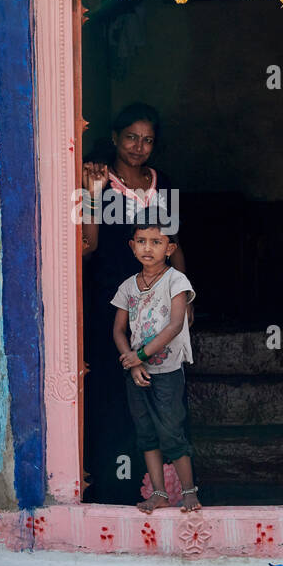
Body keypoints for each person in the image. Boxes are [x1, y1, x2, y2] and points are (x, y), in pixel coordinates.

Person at [80, 103, 188, 504]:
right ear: (113, 137)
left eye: (147, 140)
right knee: (113, 385)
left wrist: (185, 295)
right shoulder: (93, 180)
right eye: (131, 137)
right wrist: (91, 194)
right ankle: (113, 483)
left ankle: (163, 484)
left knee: (161, 385)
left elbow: (175, 242)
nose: (139, 147)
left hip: (159, 303)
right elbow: (87, 247)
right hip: (109, 300)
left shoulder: (164, 183)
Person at [111, 222, 200, 513]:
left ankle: (189, 492)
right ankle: (160, 493)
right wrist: (132, 362)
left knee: (172, 431)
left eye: (156, 242)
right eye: (141, 241)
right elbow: (118, 331)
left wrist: (141, 354)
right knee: (146, 432)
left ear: (170, 248)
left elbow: (176, 324)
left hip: (168, 371)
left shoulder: (177, 281)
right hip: (137, 371)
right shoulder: (127, 286)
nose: (148, 248)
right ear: (132, 246)